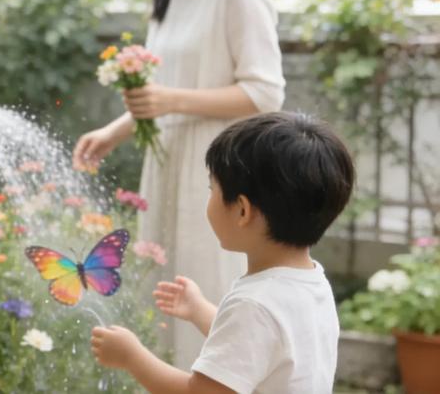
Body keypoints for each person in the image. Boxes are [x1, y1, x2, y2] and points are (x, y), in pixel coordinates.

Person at [72, 0, 285, 366]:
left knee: (208, 298)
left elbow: (265, 93)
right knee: (162, 297)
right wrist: (118, 129)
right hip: (167, 172)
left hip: (219, 181)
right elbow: (167, 88)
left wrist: (167, 100)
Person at [91, 111, 355, 393]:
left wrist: (133, 357)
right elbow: (258, 345)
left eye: (211, 188)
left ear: (242, 210)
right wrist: (200, 311)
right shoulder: (312, 283)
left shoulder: (254, 305)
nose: (209, 197)